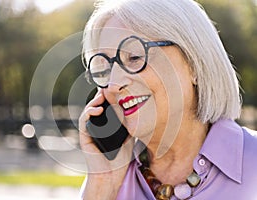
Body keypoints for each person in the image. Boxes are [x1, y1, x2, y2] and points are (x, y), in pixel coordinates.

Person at [78, 0, 257, 199]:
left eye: (135, 57)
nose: (113, 84)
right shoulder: (108, 180)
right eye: (105, 68)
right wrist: (103, 185)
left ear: (194, 64)